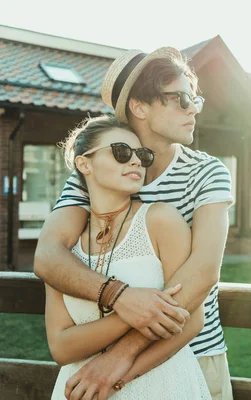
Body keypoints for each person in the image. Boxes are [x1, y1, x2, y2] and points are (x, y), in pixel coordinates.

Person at [34, 47, 234, 400]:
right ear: (139, 107)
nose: (193, 108)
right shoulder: (94, 175)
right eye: (182, 98)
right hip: (93, 365)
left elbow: (203, 273)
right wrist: (119, 297)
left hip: (191, 356)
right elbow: (48, 256)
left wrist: (118, 360)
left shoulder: (207, 173)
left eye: (195, 99)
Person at [47, 115, 211, 399]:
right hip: (81, 386)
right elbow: (61, 347)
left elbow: (192, 320)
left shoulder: (161, 220)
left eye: (142, 155)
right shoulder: (66, 244)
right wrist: (134, 309)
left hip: (160, 384)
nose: (135, 161)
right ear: (84, 163)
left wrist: (117, 375)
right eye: (122, 152)